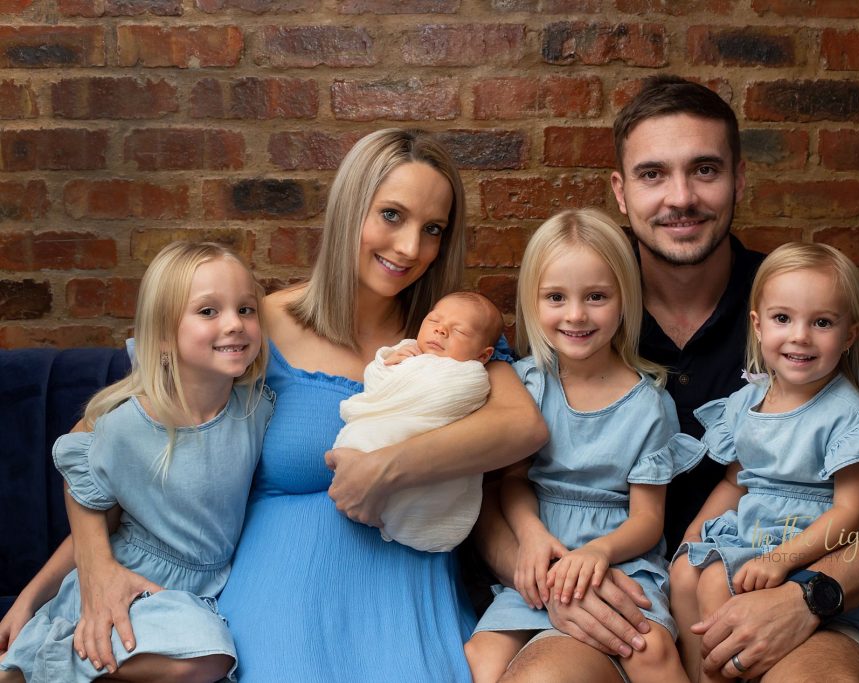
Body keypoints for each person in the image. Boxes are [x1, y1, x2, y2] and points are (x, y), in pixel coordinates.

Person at [0, 129, 547, 682]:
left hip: (408, 600)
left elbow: (522, 425)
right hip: (279, 601)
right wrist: (90, 572)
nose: (410, 248)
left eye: (433, 229)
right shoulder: (252, 325)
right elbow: (95, 444)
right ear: (349, 209)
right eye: (390, 215)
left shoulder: (449, 339)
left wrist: (388, 468)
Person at [475, 76, 859, 682]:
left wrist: (811, 596)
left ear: (740, 179)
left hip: (786, 589)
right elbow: (493, 488)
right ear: (620, 190)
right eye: (652, 174)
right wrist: (545, 579)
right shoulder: (581, 308)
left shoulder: (800, 315)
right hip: (615, 598)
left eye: (706, 170)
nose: (681, 196)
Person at [0, 242, 275, 682]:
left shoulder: (254, 407)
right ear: (164, 335)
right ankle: (42, 663)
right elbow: (86, 489)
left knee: (215, 655)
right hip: (138, 581)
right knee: (209, 659)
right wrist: (28, 601)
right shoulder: (132, 424)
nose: (234, 325)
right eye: (208, 312)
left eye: (246, 309)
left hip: (207, 587)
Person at [464, 208, 699, 683]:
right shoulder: (524, 386)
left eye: (596, 296)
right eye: (556, 297)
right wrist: (530, 535)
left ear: (624, 299)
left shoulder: (647, 403)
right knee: (480, 658)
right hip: (541, 560)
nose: (576, 315)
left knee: (646, 648)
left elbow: (648, 520)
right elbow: (511, 480)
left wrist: (598, 553)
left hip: (620, 562)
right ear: (533, 300)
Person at [670, 242, 859, 682]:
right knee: (683, 572)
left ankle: (729, 671)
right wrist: (694, 530)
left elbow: (851, 511)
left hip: (806, 547)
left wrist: (781, 560)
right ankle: (698, 673)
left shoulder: (848, 414)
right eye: (783, 319)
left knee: (713, 583)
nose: (800, 336)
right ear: (758, 326)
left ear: (850, 335)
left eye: (821, 322)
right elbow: (736, 480)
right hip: (752, 533)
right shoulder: (747, 402)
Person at [334, 291, 504, 552]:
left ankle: (401, 514)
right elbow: (375, 385)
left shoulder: (470, 375)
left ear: (483, 355)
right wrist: (390, 365)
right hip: (380, 437)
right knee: (366, 438)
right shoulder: (407, 351)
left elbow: (445, 401)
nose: (441, 331)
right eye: (434, 321)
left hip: (424, 460)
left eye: (459, 331)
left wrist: (413, 373)